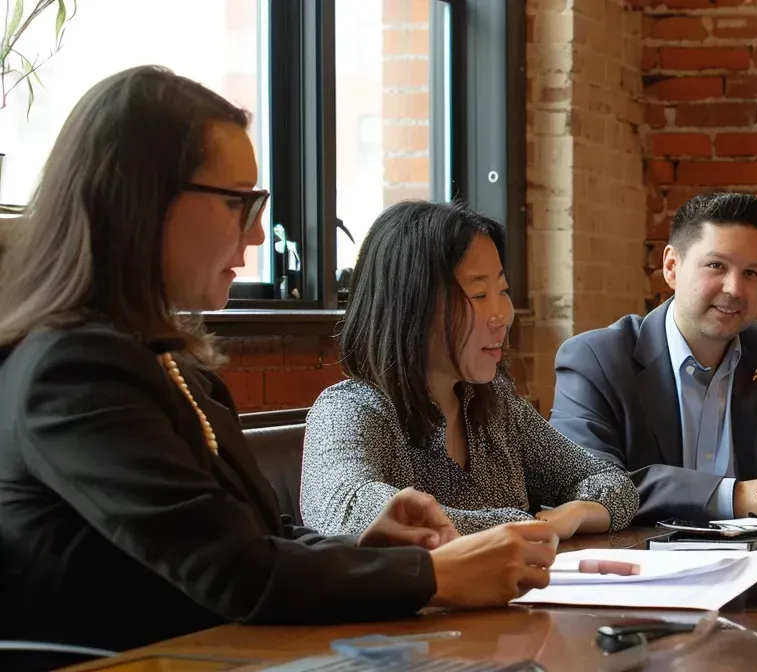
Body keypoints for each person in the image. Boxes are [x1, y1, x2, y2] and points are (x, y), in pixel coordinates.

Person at [0, 66, 557, 669]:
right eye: (240, 202)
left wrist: (360, 547)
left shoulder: (165, 364)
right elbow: (232, 572)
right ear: (145, 199)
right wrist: (430, 574)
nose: (260, 231)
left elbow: (249, 543)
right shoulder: (74, 372)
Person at [300, 201, 638, 539]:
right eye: (479, 294)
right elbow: (350, 513)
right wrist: (521, 526)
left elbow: (611, 482)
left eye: (502, 290)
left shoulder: (495, 406)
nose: (502, 315)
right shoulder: (348, 410)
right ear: (411, 307)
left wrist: (574, 513)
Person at [550, 192, 757, 524]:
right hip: (642, 567)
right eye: (716, 265)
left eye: (751, 273)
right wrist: (736, 495)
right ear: (671, 267)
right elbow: (584, 483)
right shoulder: (596, 360)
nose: (734, 288)